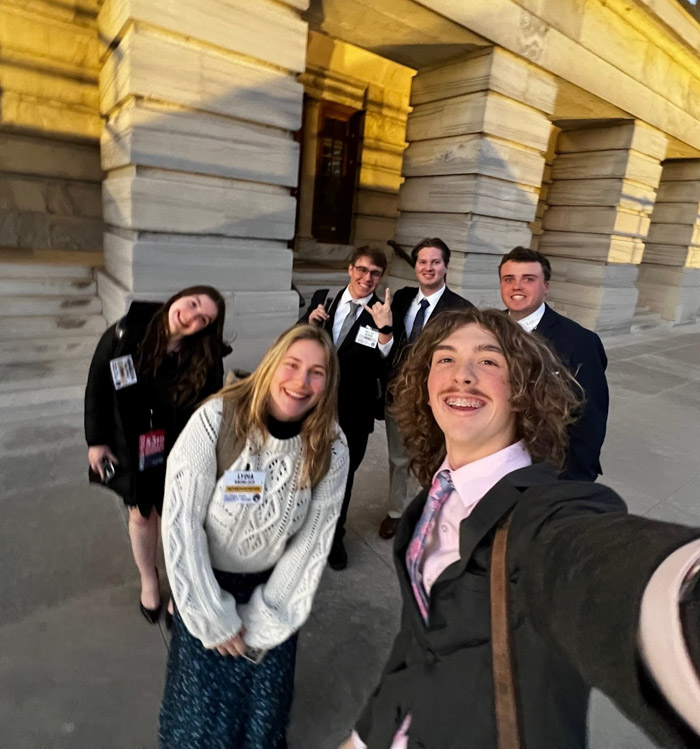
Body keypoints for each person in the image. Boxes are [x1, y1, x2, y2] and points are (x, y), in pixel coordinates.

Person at [343, 307, 700, 749]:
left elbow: (608, 571)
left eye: (489, 361)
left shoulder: (549, 514)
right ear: (426, 386)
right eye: (445, 359)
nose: (463, 375)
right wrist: (364, 736)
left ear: (520, 389)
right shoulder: (427, 504)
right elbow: (419, 636)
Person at [158, 323, 349, 748]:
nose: (301, 382)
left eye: (316, 372)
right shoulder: (216, 419)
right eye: (292, 365)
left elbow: (312, 542)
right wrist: (212, 615)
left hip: (276, 590)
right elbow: (181, 522)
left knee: (261, 714)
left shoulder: (330, 447)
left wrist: (267, 620)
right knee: (202, 717)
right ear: (270, 364)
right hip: (207, 583)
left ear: (328, 382)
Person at [84, 286, 228, 625]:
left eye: (203, 319)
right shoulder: (124, 334)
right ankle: (149, 581)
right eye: (192, 304)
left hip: (179, 448)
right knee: (141, 515)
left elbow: (213, 408)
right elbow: (98, 386)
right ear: (177, 298)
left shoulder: (204, 355)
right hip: (133, 446)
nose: (192, 317)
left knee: (178, 520)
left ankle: (179, 587)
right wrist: (97, 440)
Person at [300, 246, 392, 570]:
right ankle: (302, 531)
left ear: (381, 277)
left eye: (375, 273)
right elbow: (299, 342)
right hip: (313, 406)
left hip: (354, 410)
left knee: (343, 477)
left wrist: (385, 330)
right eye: (362, 270)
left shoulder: (381, 313)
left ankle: (333, 536)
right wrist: (308, 321)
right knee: (306, 469)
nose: (367, 278)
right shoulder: (324, 299)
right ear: (350, 269)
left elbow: (386, 363)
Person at [377, 238, 473, 540]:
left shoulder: (461, 309)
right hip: (398, 394)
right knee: (398, 458)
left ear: (446, 266)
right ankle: (395, 511)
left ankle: (428, 512)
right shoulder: (402, 298)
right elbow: (386, 340)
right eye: (422, 262)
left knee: (432, 457)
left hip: (435, 400)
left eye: (435, 262)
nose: (428, 267)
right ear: (415, 266)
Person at [499, 246, 609, 481]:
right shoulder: (485, 330)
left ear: (546, 286)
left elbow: (589, 422)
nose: (516, 286)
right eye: (509, 279)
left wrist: (574, 485)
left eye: (528, 279)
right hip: (490, 463)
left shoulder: (580, 342)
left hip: (544, 471)